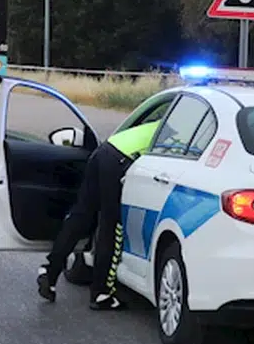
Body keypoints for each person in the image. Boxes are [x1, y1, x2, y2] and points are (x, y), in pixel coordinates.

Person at [36, 119, 161, 310]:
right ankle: (102, 293)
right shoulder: (181, 129)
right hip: (119, 161)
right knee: (111, 227)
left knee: (81, 215)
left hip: (104, 151)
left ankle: (49, 271)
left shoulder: (163, 119)